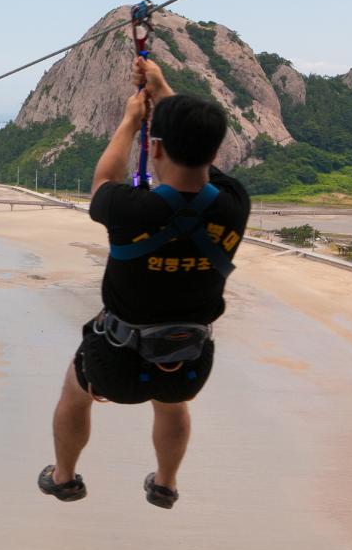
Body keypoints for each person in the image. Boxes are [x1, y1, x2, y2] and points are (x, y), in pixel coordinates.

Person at [38, 57, 251, 508]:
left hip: (116, 360)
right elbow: (196, 150)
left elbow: (103, 179)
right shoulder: (234, 204)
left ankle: (64, 476)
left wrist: (131, 119)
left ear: (155, 149)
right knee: (172, 405)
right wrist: (164, 88)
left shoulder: (129, 209)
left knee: (75, 395)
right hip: (189, 357)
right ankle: (165, 483)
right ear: (215, 154)